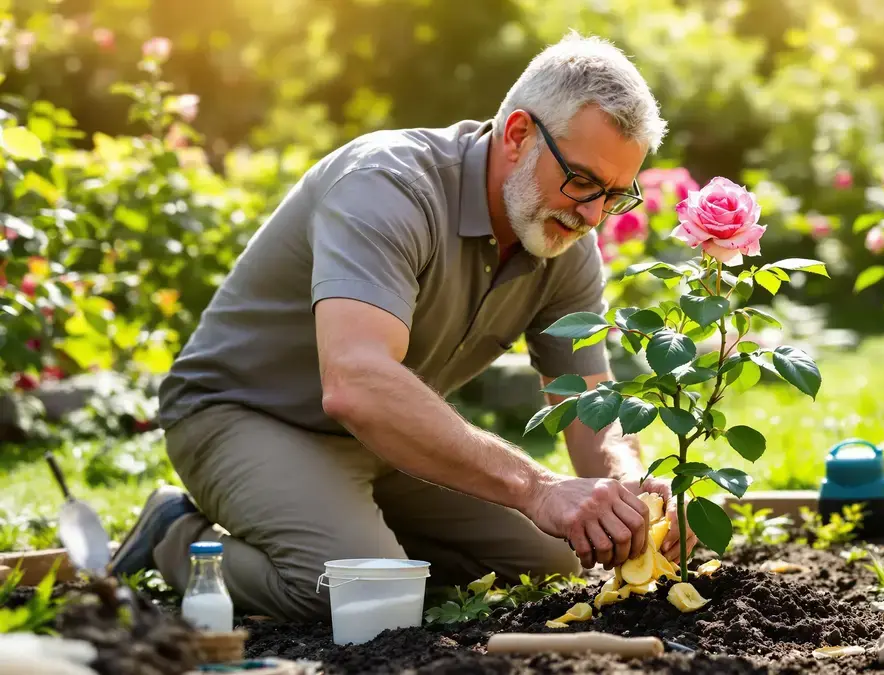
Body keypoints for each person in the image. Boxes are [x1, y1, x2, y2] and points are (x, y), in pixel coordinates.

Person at [108, 31, 697, 622]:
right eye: (584, 181)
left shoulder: (566, 240)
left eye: (616, 196)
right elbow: (357, 383)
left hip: (385, 440)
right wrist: (537, 488)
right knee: (365, 603)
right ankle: (174, 540)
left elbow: (588, 402)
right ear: (518, 135)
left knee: (551, 563)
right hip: (244, 416)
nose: (593, 214)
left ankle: (356, 539)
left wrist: (634, 489)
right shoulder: (388, 186)